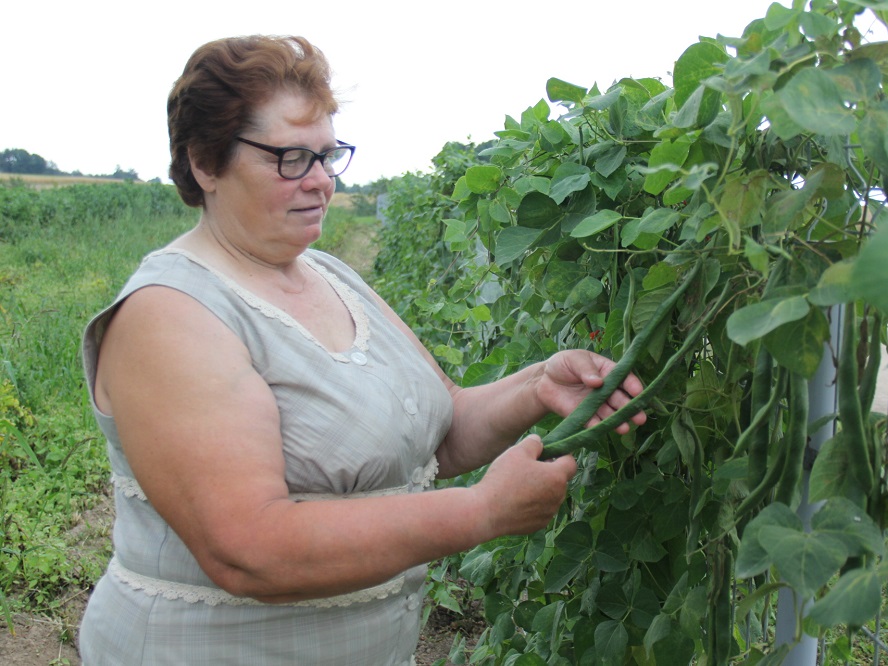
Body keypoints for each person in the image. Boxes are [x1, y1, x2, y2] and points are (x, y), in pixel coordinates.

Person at [77, 34, 646, 665]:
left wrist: (538, 385)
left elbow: (441, 430)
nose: (321, 182)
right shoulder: (171, 315)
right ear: (205, 163)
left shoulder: (329, 275)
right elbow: (249, 549)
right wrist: (479, 513)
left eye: (328, 156)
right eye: (290, 158)